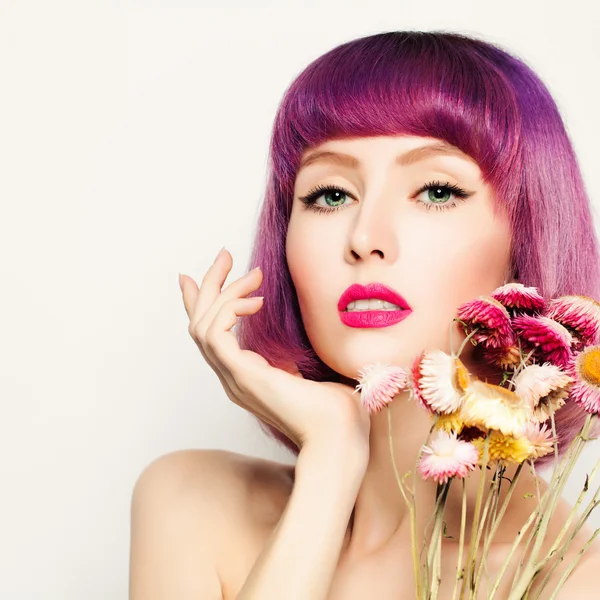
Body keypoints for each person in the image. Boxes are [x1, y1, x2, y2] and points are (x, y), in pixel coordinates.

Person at [129, 31, 600, 599]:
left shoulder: (571, 578)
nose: (365, 237)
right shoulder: (194, 503)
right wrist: (332, 455)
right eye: (330, 194)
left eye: (436, 190)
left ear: (527, 238)